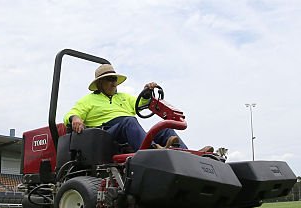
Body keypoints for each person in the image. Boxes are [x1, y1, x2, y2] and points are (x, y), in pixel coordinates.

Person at [64, 63, 214, 153]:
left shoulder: (124, 97)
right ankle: (153, 152)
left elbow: (142, 103)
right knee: (129, 121)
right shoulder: (88, 100)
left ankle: (187, 155)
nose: (113, 82)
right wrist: (75, 118)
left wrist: (147, 92)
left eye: (114, 79)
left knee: (165, 130)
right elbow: (72, 113)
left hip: (129, 131)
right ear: (99, 83)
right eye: (109, 79)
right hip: (107, 134)